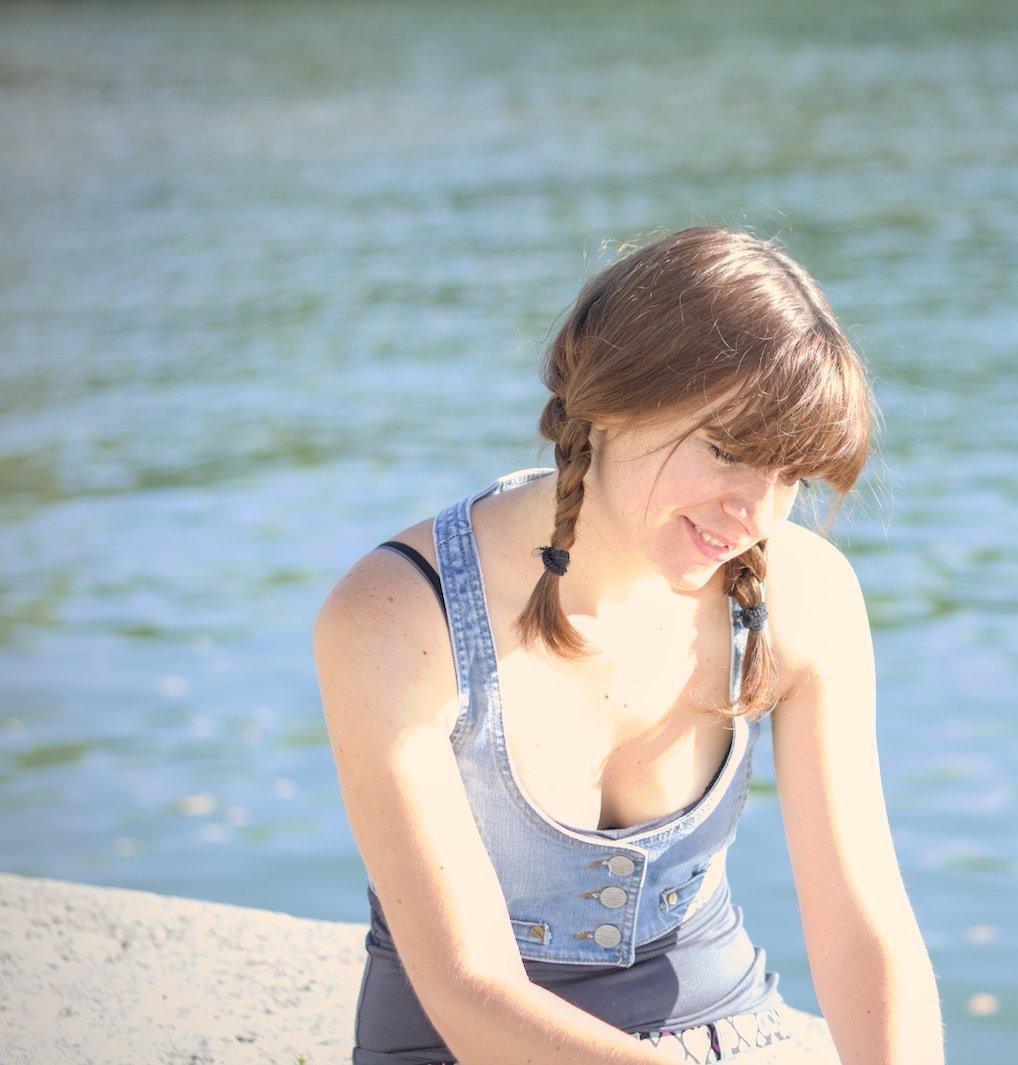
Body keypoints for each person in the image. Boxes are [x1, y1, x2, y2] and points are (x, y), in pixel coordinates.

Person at [314, 226, 946, 1064]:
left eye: (789, 474)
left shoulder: (805, 591)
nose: (755, 515)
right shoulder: (399, 615)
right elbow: (471, 993)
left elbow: (863, 926)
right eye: (727, 451)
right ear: (612, 403)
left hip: (733, 1031)